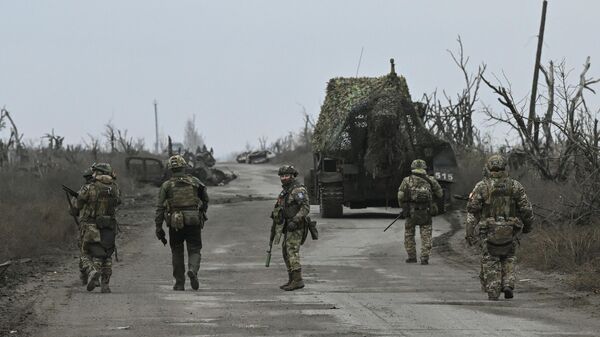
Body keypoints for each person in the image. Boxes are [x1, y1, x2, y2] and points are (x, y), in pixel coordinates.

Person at [465, 154, 534, 300]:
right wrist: (528, 226)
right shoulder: (515, 185)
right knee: (509, 257)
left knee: (491, 259)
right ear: (504, 167)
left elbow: (473, 211)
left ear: (489, 167)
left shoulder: (481, 186)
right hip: (510, 231)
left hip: (488, 231)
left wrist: (469, 232)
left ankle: (494, 290)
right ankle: (508, 283)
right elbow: (526, 209)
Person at [155, 155, 209, 291]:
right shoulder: (195, 182)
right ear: (184, 167)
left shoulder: (166, 185)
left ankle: (179, 283)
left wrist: (158, 227)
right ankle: (192, 270)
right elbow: (206, 199)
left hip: (175, 223)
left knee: (177, 252)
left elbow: (160, 208)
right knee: (195, 249)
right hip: (193, 220)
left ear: (171, 169)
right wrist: (202, 212)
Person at [76, 163, 121, 293]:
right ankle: (105, 285)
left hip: (91, 226)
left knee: (85, 253)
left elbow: (78, 205)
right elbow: (118, 202)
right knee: (106, 255)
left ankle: (92, 271)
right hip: (109, 226)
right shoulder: (115, 188)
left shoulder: (89, 188)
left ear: (98, 173)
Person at [397, 159, 443, 265]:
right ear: (424, 168)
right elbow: (440, 194)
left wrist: (403, 207)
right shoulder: (431, 180)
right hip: (426, 212)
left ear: (412, 168)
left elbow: (400, 196)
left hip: (411, 212)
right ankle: (424, 258)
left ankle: (412, 257)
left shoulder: (407, 180)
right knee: (426, 235)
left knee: (409, 234)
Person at [271, 165, 310, 291]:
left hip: (296, 225)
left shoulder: (297, 189)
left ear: (293, 176)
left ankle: (298, 280)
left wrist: (296, 220)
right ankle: (292, 279)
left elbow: (305, 208)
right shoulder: (286, 190)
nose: (284, 178)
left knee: (292, 251)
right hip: (287, 225)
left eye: (286, 175)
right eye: (282, 176)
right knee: (285, 251)